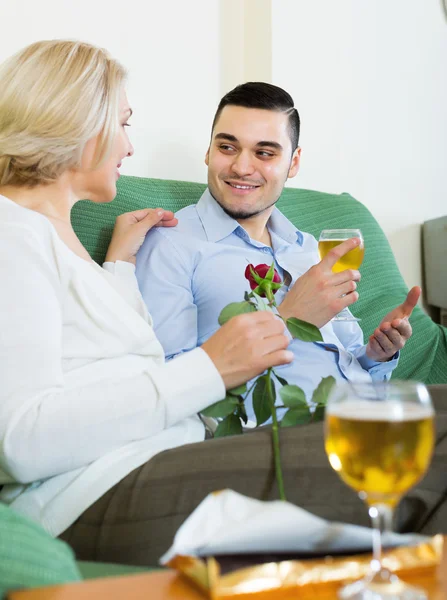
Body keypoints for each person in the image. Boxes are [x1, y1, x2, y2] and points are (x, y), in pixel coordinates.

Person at [0, 41, 293, 564]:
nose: (129, 148)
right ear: (80, 126)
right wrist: (210, 368)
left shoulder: (50, 235)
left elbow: (108, 356)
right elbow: (21, 441)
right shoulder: (11, 235)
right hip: (88, 495)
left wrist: (118, 266)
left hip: (155, 461)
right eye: (124, 123)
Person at [136, 82, 420, 423]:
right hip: (283, 438)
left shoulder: (309, 247)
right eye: (227, 147)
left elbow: (346, 360)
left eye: (265, 153)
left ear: (294, 162)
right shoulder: (171, 244)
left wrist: (376, 355)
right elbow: (171, 385)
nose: (241, 167)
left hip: (365, 410)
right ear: (209, 152)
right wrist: (288, 318)